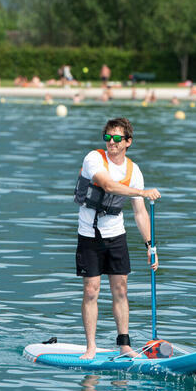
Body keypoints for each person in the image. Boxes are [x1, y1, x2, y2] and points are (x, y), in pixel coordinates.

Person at [73, 117, 161, 360]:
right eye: (108, 138)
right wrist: (142, 192)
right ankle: (90, 347)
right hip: (89, 234)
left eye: (117, 138)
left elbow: (140, 212)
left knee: (120, 289)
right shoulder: (94, 158)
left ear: (128, 142)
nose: (111, 142)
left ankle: (124, 344)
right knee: (91, 291)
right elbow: (108, 186)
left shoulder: (134, 171)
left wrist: (150, 245)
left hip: (116, 235)